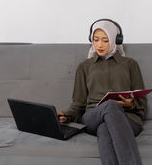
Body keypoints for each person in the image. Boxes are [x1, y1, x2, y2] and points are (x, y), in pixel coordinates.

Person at [58, 19, 146, 165]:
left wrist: (131, 105)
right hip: (93, 116)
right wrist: (66, 115)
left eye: (105, 40)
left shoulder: (130, 64)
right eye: (96, 39)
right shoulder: (84, 67)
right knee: (111, 105)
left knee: (105, 129)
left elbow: (141, 101)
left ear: (114, 40)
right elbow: (78, 103)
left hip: (128, 119)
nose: (99, 44)